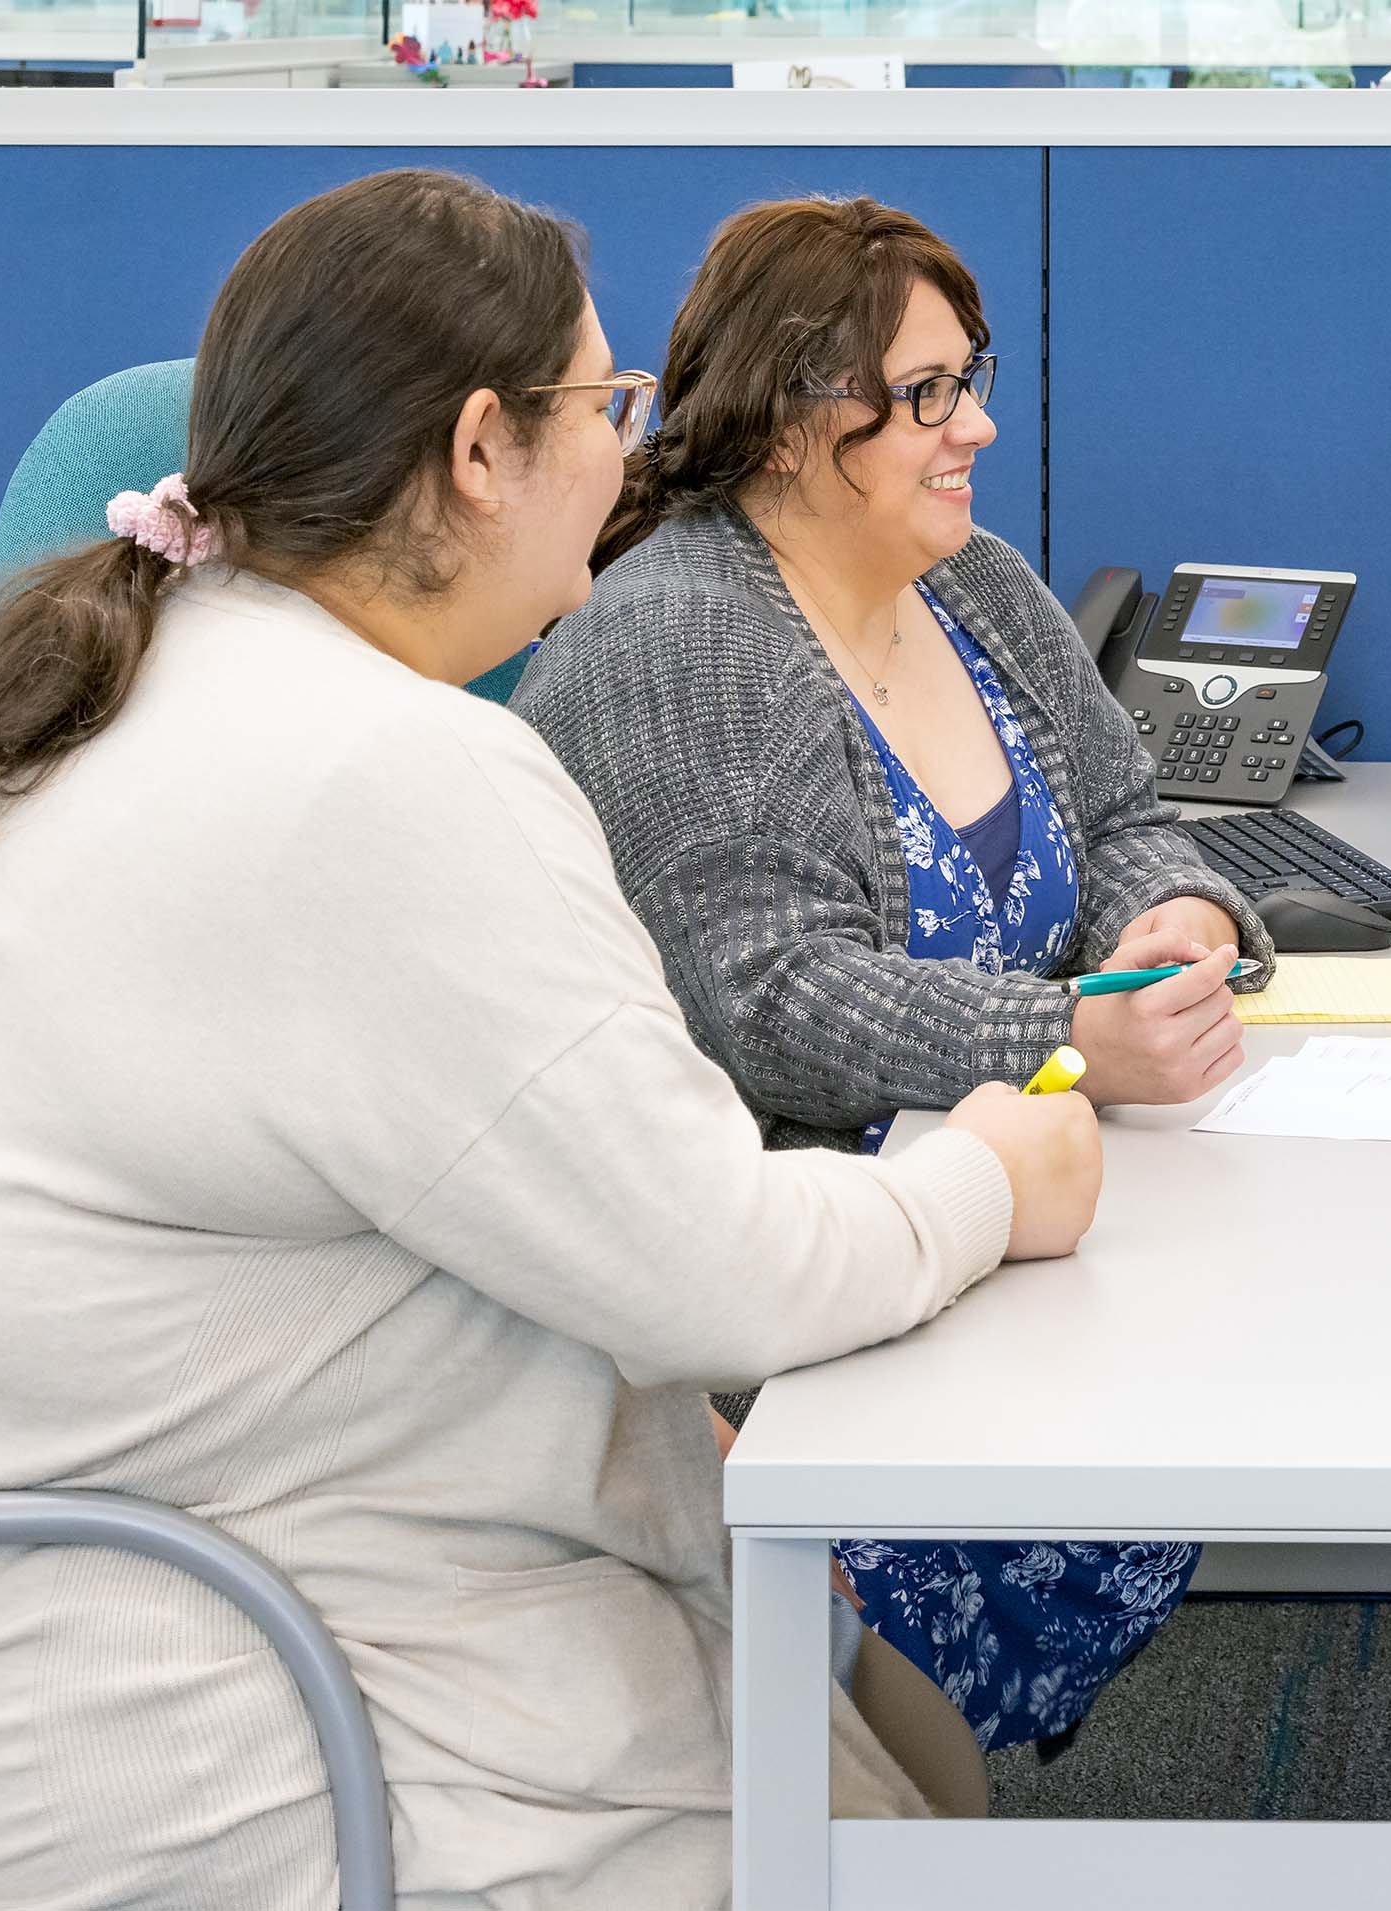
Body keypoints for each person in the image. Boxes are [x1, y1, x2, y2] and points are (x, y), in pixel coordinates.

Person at [0, 169, 1100, 1908]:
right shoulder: (385, 775)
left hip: (91, 1632)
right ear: (482, 451)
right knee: (902, 1825)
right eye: (605, 409)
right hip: (264, 1729)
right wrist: (992, 1172)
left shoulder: (85, 712)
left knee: (909, 1762)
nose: (632, 457)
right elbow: (727, 1266)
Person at [512, 196, 1267, 1755]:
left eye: (968, 376)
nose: (974, 423)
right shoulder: (688, 642)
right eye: (925, 395)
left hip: (1012, 1211)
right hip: (807, 1274)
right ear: (792, 425)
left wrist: (1172, 917)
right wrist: (1066, 1033)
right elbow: (768, 999)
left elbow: (1124, 808)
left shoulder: (971, 581)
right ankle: (882, 1802)